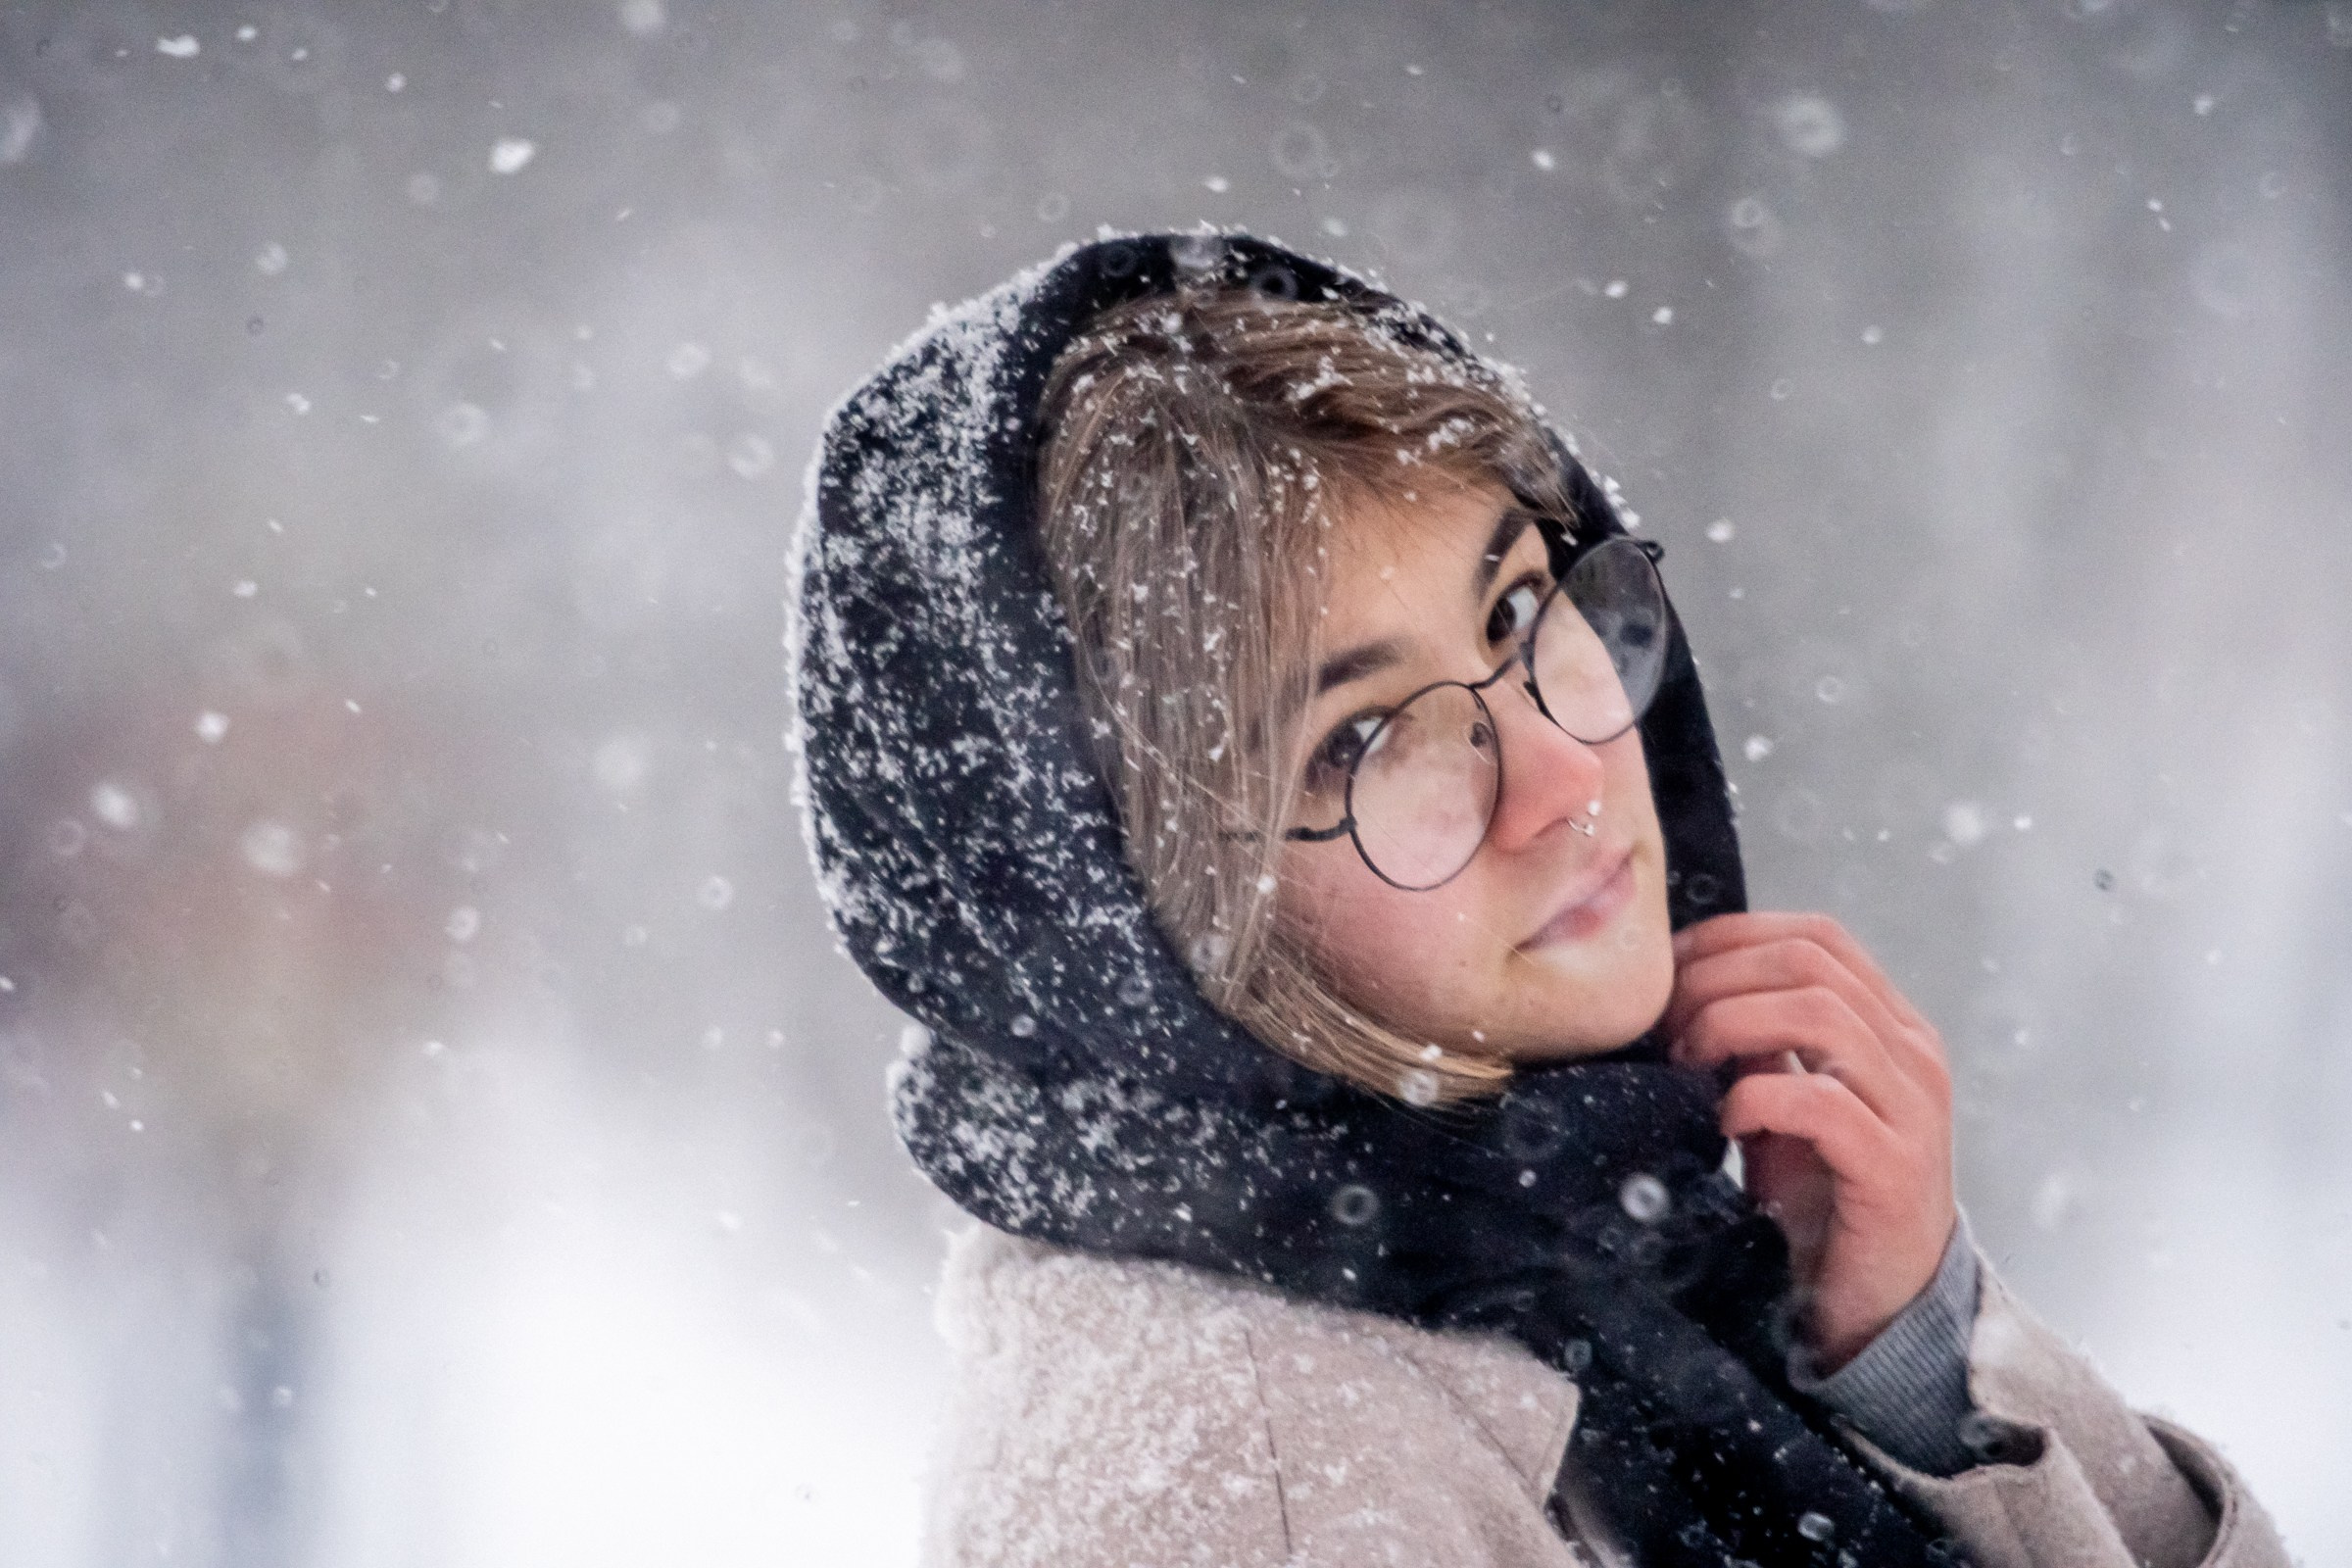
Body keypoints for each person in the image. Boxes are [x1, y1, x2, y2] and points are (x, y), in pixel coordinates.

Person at [790, 232, 2288, 1567]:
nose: (1567, 770)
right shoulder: (1258, 1489)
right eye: (1367, 739)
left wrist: (1907, 1360)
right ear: (1134, 945)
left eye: (1516, 607)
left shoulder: (1561, 1258)